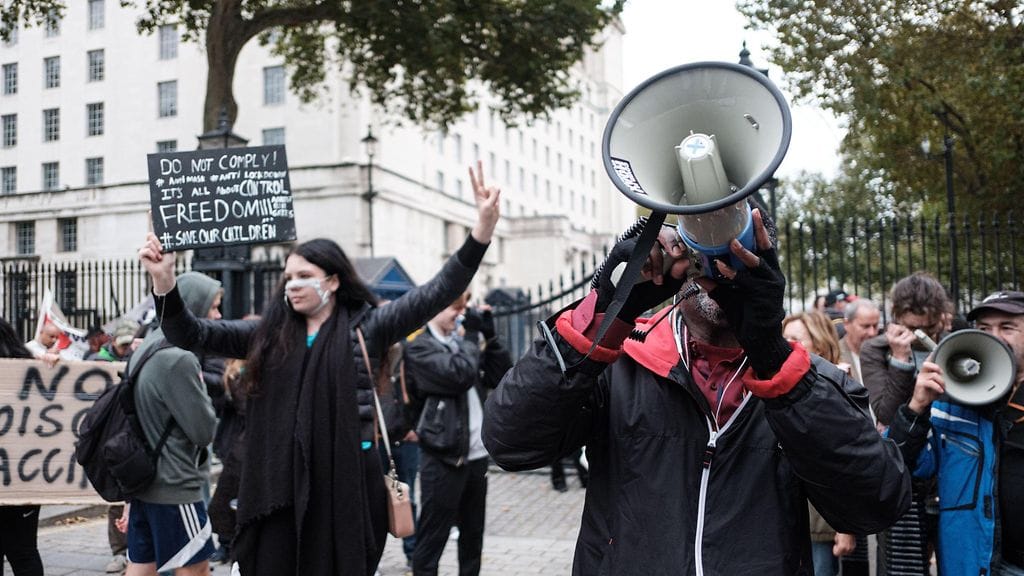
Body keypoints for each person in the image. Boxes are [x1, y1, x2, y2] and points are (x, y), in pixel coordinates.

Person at [482, 207, 911, 574]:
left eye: (734, 252)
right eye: (702, 249)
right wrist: (607, 308)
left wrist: (772, 357)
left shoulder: (806, 381)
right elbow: (510, 442)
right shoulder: (620, 364)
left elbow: (875, 504)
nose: (717, 268)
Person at [138, 162, 500, 576]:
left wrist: (481, 231)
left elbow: (437, 291)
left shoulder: (368, 328)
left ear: (332, 281)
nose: (293, 283)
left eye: (304, 275)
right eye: (288, 276)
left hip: (347, 489)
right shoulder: (268, 334)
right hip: (278, 488)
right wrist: (164, 281)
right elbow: (189, 332)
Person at [888, 290, 1024, 575]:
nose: (995, 337)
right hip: (973, 563)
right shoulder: (953, 404)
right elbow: (893, 466)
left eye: (1007, 327)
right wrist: (916, 407)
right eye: (985, 329)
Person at [406, 297, 512, 576]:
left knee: (472, 537)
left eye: (464, 309)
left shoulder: (464, 344)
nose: (460, 314)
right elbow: (459, 375)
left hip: (476, 457)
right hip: (443, 457)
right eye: (455, 308)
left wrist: (490, 337)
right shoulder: (420, 347)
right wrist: (473, 335)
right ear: (434, 309)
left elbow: (501, 376)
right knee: (433, 539)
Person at [126, 272, 220, 576]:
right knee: (196, 569)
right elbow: (203, 431)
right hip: (175, 485)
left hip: (145, 481)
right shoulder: (179, 358)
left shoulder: (147, 345)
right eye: (213, 307)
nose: (218, 315)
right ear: (193, 306)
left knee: (142, 567)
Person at [859, 271, 951, 576]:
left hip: (948, 469)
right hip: (904, 472)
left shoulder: (953, 342)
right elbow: (885, 412)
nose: (920, 335)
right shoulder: (876, 350)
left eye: (929, 328)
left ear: (941, 318)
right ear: (897, 318)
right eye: (912, 328)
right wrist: (900, 360)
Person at [782, 311, 857, 576]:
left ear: (820, 346)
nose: (784, 345)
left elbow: (848, 462)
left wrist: (845, 527)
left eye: (794, 339)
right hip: (782, 517)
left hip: (821, 524)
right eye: (783, 338)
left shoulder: (839, 387)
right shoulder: (773, 383)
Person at [86, 317, 141, 575]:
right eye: (123, 345)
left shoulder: (138, 357)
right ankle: (120, 552)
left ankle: (136, 552)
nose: (126, 349)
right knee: (116, 497)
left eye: (130, 345)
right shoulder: (97, 361)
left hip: (129, 435)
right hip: (110, 435)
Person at [0, 315, 44, 576]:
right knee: (24, 551)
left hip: (19, 475)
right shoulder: (30, 368)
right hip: (25, 478)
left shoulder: (30, 368)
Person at [838, 299, 880, 385]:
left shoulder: (883, 353)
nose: (872, 333)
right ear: (847, 324)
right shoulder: (835, 354)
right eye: (865, 326)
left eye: (875, 326)